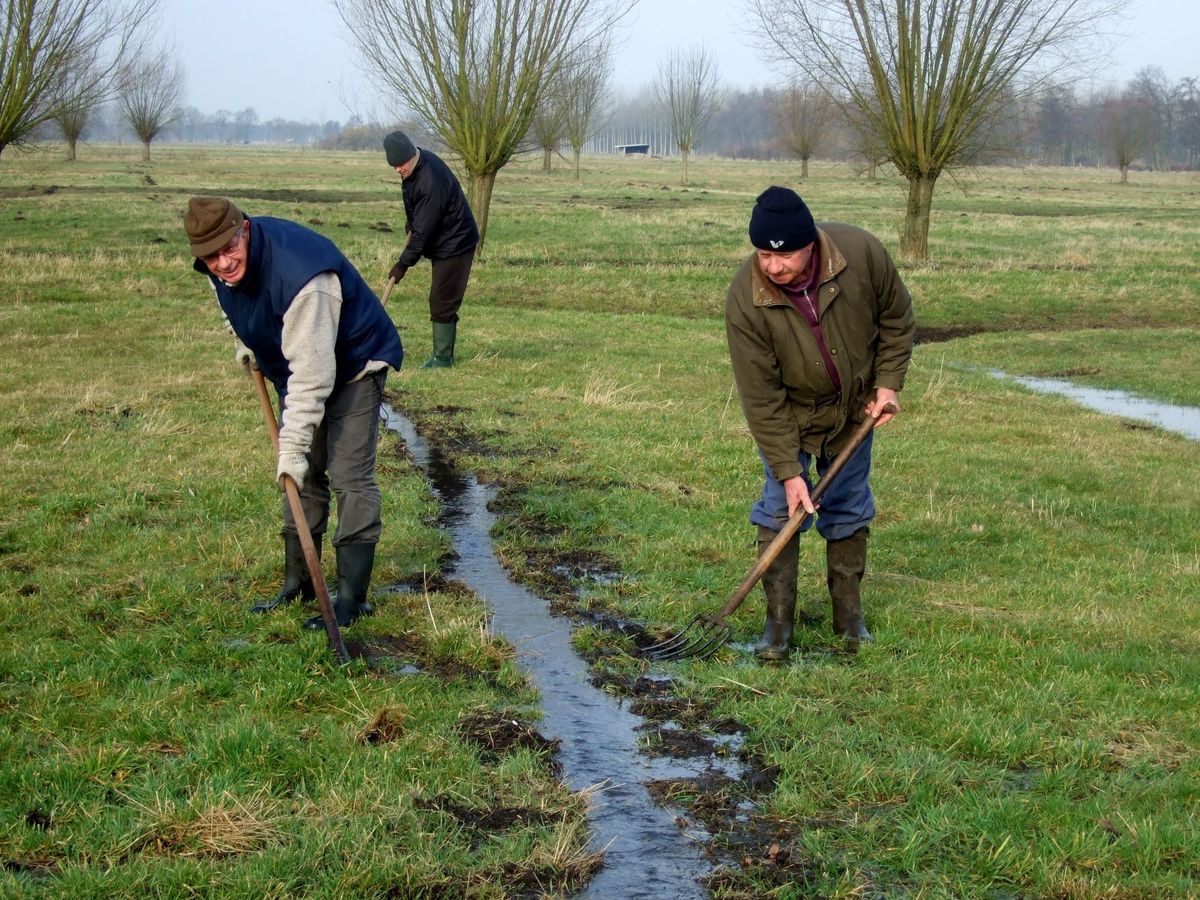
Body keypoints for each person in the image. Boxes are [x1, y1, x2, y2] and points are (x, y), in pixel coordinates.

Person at [183, 196, 404, 631]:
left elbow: (313, 375)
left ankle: (350, 600)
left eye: (229, 249)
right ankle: (298, 584)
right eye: (210, 258)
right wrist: (246, 340)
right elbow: (233, 305)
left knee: (349, 475)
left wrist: (293, 445)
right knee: (304, 477)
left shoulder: (304, 277)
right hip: (300, 364)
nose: (223, 263)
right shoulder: (217, 267)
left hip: (355, 363)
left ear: (244, 230)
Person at [725, 186, 915, 660]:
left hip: (854, 409)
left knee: (848, 505)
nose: (773, 267)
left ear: (809, 243)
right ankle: (777, 627)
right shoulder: (745, 298)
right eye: (764, 255)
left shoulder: (861, 254)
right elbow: (760, 396)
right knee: (780, 509)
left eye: (785, 255)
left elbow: (897, 319)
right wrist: (790, 472)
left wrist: (888, 383)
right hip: (789, 413)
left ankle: (849, 620)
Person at [383, 131, 479, 369]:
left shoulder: (429, 180)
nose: (398, 169)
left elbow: (423, 235)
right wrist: (413, 220)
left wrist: (402, 265)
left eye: (400, 164)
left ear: (410, 155)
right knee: (443, 297)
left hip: (456, 241)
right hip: (445, 238)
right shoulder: (415, 167)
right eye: (394, 165)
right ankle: (445, 354)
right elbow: (419, 208)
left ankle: (442, 358)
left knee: (441, 299)